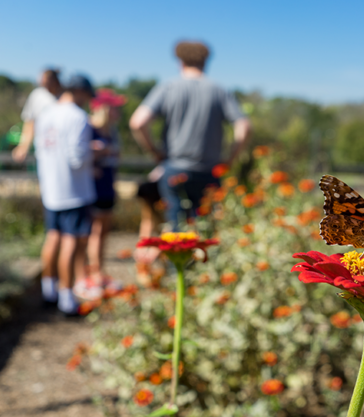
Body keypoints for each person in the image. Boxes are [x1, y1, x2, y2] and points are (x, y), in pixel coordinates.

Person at [129, 40, 251, 235]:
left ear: (180, 61)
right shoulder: (219, 90)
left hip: (175, 169)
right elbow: (244, 126)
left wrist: (155, 152)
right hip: (210, 171)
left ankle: (177, 266)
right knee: (206, 232)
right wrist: (229, 159)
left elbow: (138, 122)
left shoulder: (168, 87)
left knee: (177, 232)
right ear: (206, 61)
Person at [34, 74, 96, 315]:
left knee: (53, 238)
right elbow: (77, 158)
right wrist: (96, 155)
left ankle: (48, 290)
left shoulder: (46, 115)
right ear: (79, 92)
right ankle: (67, 298)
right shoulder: (78, 117)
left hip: (51, 187)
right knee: (71, 241)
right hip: (74, 190)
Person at [74, 89, 127, 299]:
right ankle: (89, 275)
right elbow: (79, 154)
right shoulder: (89, 128)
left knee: (103, 232)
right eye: (115, 107)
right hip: (93, 188)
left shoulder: (111, 132)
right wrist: (96, 153)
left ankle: (100, 272)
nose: (118, 112)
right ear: (104, 108)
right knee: (92, 233)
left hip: (107, 186)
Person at [12, 68, 62, 162]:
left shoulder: (65, 96)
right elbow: (30, 123)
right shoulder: (37, 95)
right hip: (43, 150)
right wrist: (23, 146)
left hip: (62, 150)